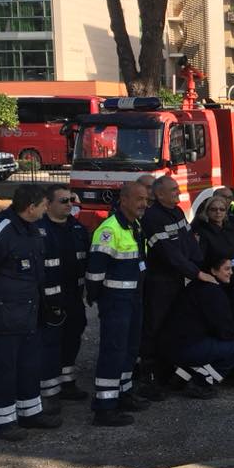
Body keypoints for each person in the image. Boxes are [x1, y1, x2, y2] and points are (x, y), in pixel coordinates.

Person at [0, 184, 61, 440]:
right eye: (43, 205)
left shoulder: (31, 229)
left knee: (29, 365)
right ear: (31, 208)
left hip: (28, 314)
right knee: (6, 369)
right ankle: (4, 422)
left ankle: (30, 414)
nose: (46, 208)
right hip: (3, 318)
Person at [139, 176, 213, 399]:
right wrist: (197, 273)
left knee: (175, 326)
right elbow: (169, 253)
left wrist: (199, 264)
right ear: (159, 194)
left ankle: (170, 370)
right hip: (160, 282)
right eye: (172, 190)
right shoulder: (152, 218)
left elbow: (189, 243)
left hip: (180, 280)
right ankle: (149, 378)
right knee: (154, 327)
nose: (177, 192)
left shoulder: (178, 212)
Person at [85, 180, 150, 426]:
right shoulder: (110, 229)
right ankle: (105, 406)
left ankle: (123, 393)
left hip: (133, 298)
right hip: (116, 301)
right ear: (124, 200)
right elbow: (95, 273)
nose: (144, 203)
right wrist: (97, 297)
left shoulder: (135, 225)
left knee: (130, 349)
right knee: (113, 351)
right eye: (139, 199)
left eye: (146, 199)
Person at [37, 184, 90, 408]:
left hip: (73, 297)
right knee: (50, 344)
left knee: (72, 338)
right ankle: (49, 392)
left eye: (71, 200)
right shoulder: (38, 231)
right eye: (64, 201)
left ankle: (67, 382)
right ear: (48, 204)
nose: (70, 205)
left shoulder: (77, 229)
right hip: (48, 300)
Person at [161, 256, 234, 396]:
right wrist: (232, 331)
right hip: (185, 348)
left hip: (169, 345)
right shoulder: (213, 291)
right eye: (227, 268)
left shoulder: (194, 285)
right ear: (213, 271)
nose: (231, 272)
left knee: (208, 344)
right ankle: (200, 384)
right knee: (233, 348)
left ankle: (181, 377)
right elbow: (222, 328)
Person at [193, 195, 234, 275]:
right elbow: (201, 261)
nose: (218, 212)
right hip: (216, 277)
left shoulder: (232, 228)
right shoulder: (202, 232)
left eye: (222, 209)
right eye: (213, 209)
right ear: (207, 211)